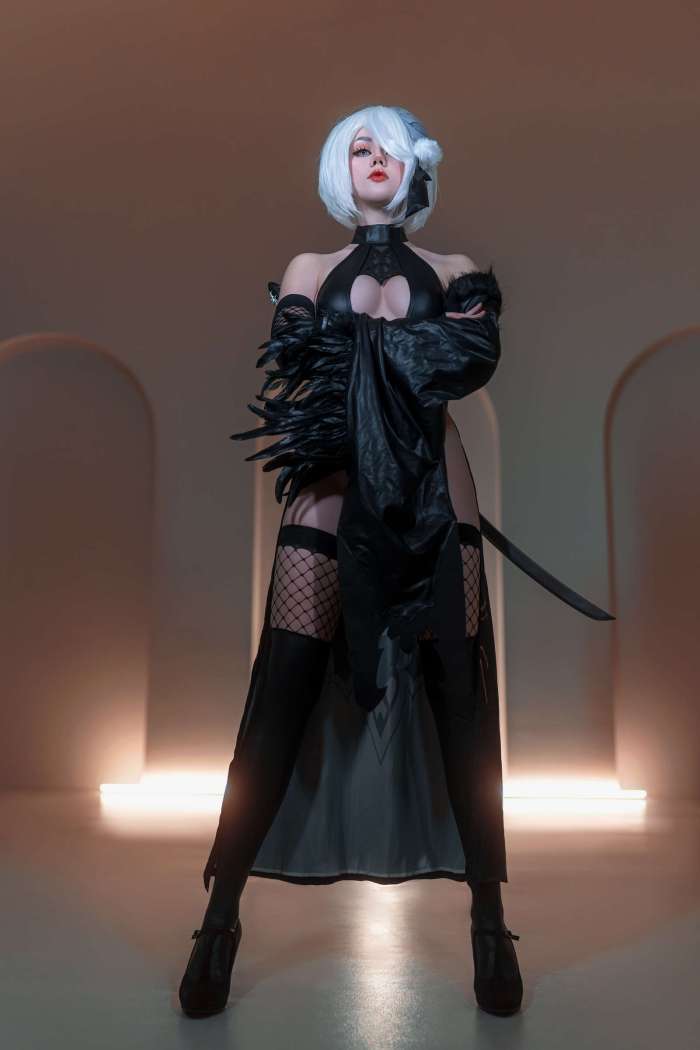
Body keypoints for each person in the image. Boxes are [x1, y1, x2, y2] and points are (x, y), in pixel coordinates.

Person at [178, 104, 614, 1020]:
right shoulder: (313, 265)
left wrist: (368, 353)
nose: (374, 158)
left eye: (388, 145)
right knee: (283, 687)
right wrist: (415, 351)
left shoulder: (455, 267)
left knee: (459, 695)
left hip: (431, 491)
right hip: (333, 485)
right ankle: (218, 919)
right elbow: (300, 359)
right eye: (357, 147)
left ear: (416, 163)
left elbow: (471, 356)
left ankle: (489, 921)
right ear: (340, 169)